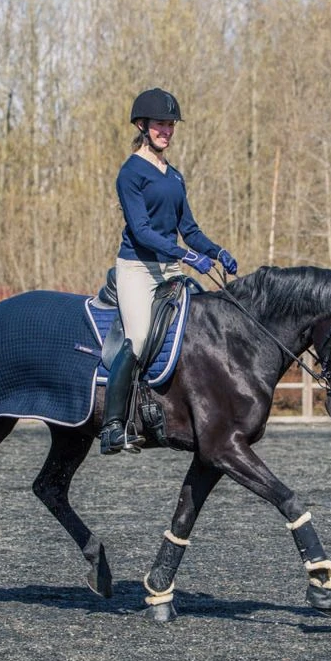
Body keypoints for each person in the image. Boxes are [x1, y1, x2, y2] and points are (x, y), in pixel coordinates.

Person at [99, 87, 238, 455]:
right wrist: (188, 258)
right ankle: (113, 427)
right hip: (138, 269)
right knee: (140, 338)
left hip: (170, 267)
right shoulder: (131, 173)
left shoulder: (174, 176)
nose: (167, 131)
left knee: (204, 326)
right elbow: (142, 231)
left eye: (171, 125)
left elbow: (188, 229)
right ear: (143, 126)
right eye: (161, 124)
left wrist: (216, 251)